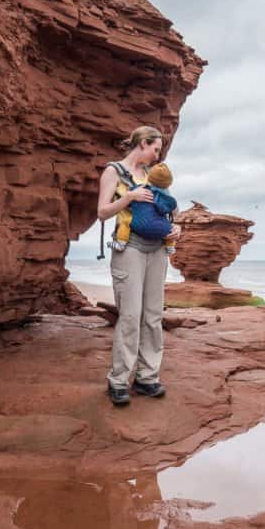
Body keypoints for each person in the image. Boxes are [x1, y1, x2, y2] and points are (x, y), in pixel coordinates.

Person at [97, 126, 181, 405]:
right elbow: (102, 212)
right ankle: (119, 380)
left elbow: (172, 211)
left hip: (157, 250)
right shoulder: (114, 172)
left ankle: (147, 377)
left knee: (153, 315)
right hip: (129, 248)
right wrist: (129, 197)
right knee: (131, 316)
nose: (157, 156)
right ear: (143, 143)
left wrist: (176, 229)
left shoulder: (152, 176)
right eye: (155, 149)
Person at [116, 162, 178, 255]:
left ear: (150, 178)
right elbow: (171, 211)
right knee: (169, 227)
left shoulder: (138, 190)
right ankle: (170, 247)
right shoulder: (167, 198)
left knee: (126, 222)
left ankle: (121, 243)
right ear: (168, 183)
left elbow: (127, 204)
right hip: (162, 230)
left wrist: (130, 195)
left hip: (141, 227)